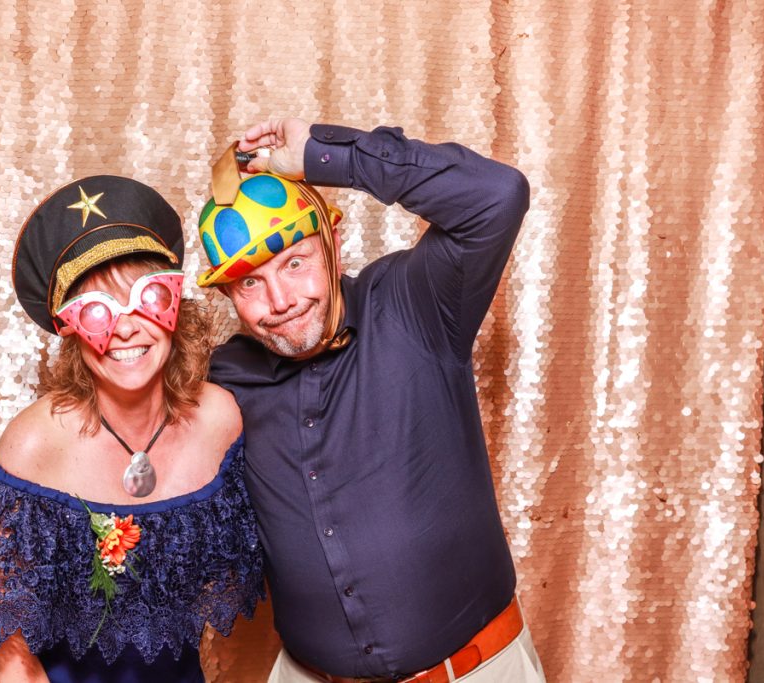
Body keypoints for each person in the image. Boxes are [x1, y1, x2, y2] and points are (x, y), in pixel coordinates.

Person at [198, 118, 544, 682]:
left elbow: (497, 195)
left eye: (294, 262)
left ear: (333, 245)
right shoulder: (223, 380)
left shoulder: (415, 306)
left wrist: (319, 157)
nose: (280, 301)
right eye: (249, 283)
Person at [0, 175, 264, 682]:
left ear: (174, 306)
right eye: (97, 311)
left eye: (147, 298)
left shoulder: (221, 420)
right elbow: (4, 650)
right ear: (71, 329)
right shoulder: (34, 442)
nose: (125, 327)